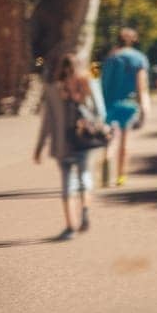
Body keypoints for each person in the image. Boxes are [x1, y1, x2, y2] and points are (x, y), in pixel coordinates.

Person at [34, 53, 108, 240]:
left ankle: (70, 227)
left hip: (62, 143)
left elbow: (47, 122)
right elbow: (101, 113)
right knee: (84, 176)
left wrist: (40, 146)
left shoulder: (52, 89)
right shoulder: (87, 84)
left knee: (67, 184)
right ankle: (84, 213)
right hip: (84, 140)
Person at [98, 27, 151, 187]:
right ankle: (121, 176)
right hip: (128, 104)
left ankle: (106, 172)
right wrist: (144, 108)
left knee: (110, 140)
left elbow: (102, 82)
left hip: (109, 103)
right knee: (125, 141)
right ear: (134, 40)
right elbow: (141, 86)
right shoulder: (138, 59)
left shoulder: (110, 58)